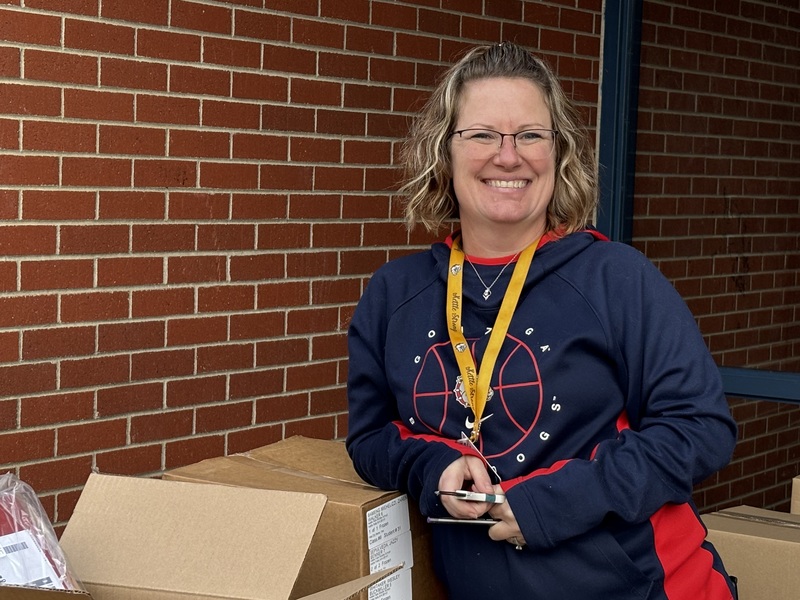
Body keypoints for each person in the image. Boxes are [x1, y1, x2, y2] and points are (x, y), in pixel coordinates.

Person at [345, 42, 738, 599]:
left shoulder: (615, 277)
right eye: (482, 134)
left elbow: (699, 430)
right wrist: (434, 467)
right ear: (444, 151)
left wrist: (550, 503)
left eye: (530, 135)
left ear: (559, 153)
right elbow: (370, 438)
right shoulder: (394, 294)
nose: (508, 157)